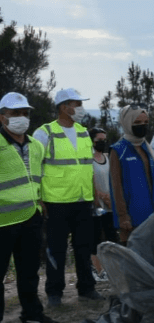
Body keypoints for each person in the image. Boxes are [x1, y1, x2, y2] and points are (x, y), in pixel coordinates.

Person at [31, 88, 103, 305]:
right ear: (64, 107)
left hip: (83, 201)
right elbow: (34, 168)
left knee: (84, 247)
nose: (80, 108)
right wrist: (38, 199)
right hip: (56, 202)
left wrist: (95, 195)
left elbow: (87, 167)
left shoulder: (82, 132)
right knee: (56, 249)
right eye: (77, 103)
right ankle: (54, 292)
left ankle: (87, 288)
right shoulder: (44, 133)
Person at [0, 92, 59, 323]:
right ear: (2, 117)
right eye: (15, 114)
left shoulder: (36, 145)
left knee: (29, 271)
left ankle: (32, 314)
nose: (21, 118)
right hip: (3, 220)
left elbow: (37, 177)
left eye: (25, 113)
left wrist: (42, 202)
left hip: (31, 216)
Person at [108, 105, 154, 243]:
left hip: (152, 214)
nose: (142, 126)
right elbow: (116, 186)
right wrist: (123, 216)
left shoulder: (147, 148)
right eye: (137, 123)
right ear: (127, 123)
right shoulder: (118, 151)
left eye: (145, 122)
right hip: (132, 218)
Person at [89, 128, 118, 280]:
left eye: (104, 139)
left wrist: (111, 198)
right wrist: (100, 197)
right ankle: (98, 270)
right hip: (97, 206)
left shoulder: (107, 157)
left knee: (111, 236)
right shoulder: (88, 160)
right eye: (99, 140)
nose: (103, 142)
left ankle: (111, 269)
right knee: (95, 239)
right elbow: (89, 181)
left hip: (109, 205)